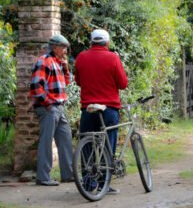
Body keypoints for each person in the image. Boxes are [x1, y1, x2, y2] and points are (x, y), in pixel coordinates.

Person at [74, 29, 128, 194]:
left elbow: (78, 81)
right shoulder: (113, 58)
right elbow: (123, 83)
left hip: (88, 108)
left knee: (86, 147)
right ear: (107, 42)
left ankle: (88, 184)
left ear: (91, 42)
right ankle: (104, 183)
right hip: (109, 109)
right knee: (108, 145)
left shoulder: (81, 57)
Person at [30, 34, 74, 186]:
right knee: (46, 141)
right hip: (49, 107)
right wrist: (47, 104)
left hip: (59, 107)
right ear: (55, 47)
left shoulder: (58, 62)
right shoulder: (45, 60)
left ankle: (68, 175)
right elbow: (36, 86)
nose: (65, 51)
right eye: (63, 47)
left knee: (66, 138)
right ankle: (43, 177)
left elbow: (66, 83)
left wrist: (66, 67)